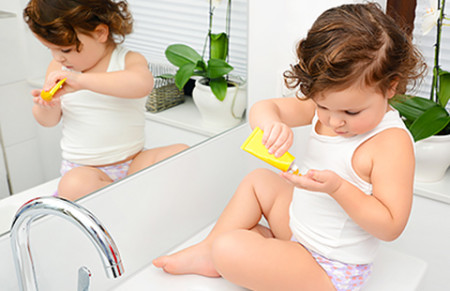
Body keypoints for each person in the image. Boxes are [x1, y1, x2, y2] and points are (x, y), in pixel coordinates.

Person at [152, 3, 426, 291]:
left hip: (329, 265)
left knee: (230, 248)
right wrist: (272, 124)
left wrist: (338, 188)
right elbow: (264, 107)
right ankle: (209, 251)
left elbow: (391, 225)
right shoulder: (333, 103)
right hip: (300, 226)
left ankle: (223, 252)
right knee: (258, 181)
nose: (334, 121)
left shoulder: (389, 143)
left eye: (351, 113)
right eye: (322, 106)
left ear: (391, 86)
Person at [23, 0, 188, 201]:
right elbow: (47, 121)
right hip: (85, 170)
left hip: (133, 161)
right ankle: (128, 203)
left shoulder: (127, 60)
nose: (58, 58)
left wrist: (82, 81)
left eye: (65, 50)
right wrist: (47, 106)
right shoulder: (58, 68)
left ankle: (126, 201)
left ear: (100, 33)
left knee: (183, 154)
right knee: (74, 185)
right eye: (50, 49)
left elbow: (142, 84)